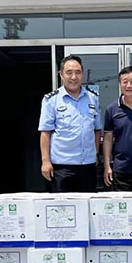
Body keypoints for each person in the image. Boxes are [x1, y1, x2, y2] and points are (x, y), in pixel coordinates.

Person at [38, 55, 102, 193]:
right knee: (63, 206)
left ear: (82, 74)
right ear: (61, 75)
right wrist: (45, 161)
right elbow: (45, 132)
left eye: (78, 72)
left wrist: (96, 153)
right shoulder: (51, 100)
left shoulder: (93, 98)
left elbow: (97, 129)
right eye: (69, 72)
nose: (74, 77)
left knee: (87, 205)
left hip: (88, 166)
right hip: (62, 167)